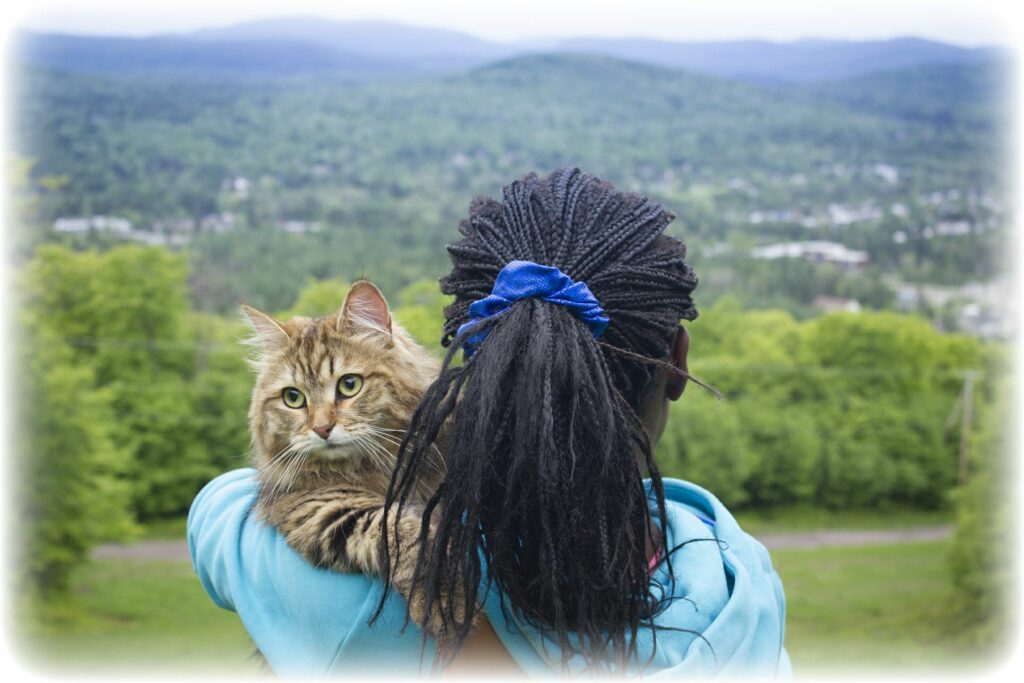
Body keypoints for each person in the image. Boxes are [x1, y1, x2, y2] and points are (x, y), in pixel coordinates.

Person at [188, 168, 790, 677]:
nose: (322, 421)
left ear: (483, 362)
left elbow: (219, 512)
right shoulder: (743, 583)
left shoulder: (347, 605)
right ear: (678, 364)